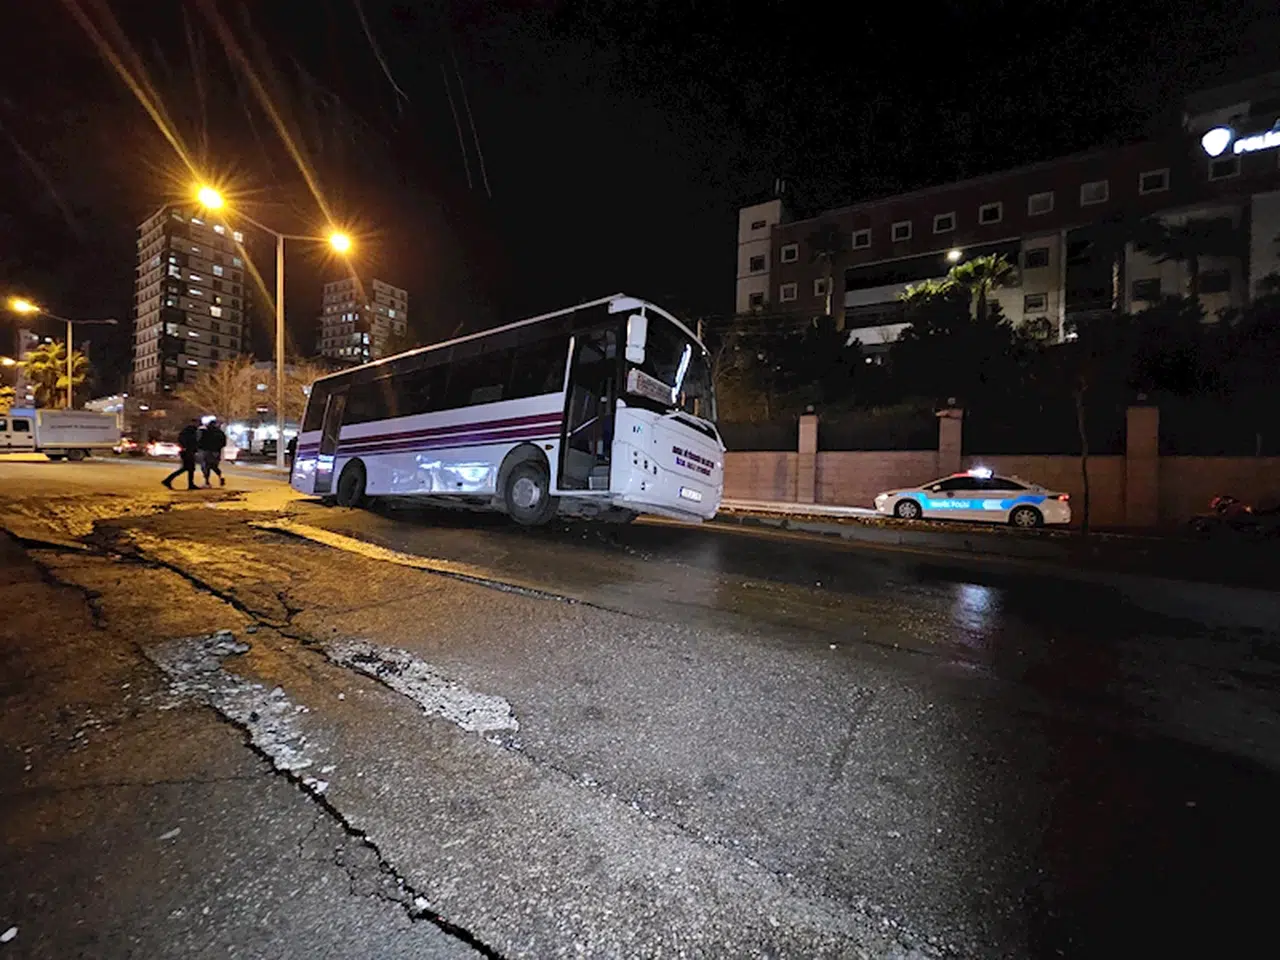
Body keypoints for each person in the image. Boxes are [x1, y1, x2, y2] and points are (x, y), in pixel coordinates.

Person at [162, 419, 201, 490]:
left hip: (189, 451)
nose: (197, 424)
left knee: (189, 468)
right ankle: (168, 480)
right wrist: (185, 447)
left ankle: (190, 484)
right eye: (196, 423)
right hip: (187, 451)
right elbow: (184, 439)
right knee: (188, 468)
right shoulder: (189, 430)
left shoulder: (192, 430)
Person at [198, 418, 227, 487]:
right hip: (216, 452)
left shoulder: (206, 432)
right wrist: (218, 449)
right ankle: (221, 476)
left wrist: (200, 447)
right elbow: (224, 443)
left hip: (207, 451)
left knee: (206, 466)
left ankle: (207, 482)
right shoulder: (220, 433)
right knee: (214, 466)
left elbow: (201, 441)